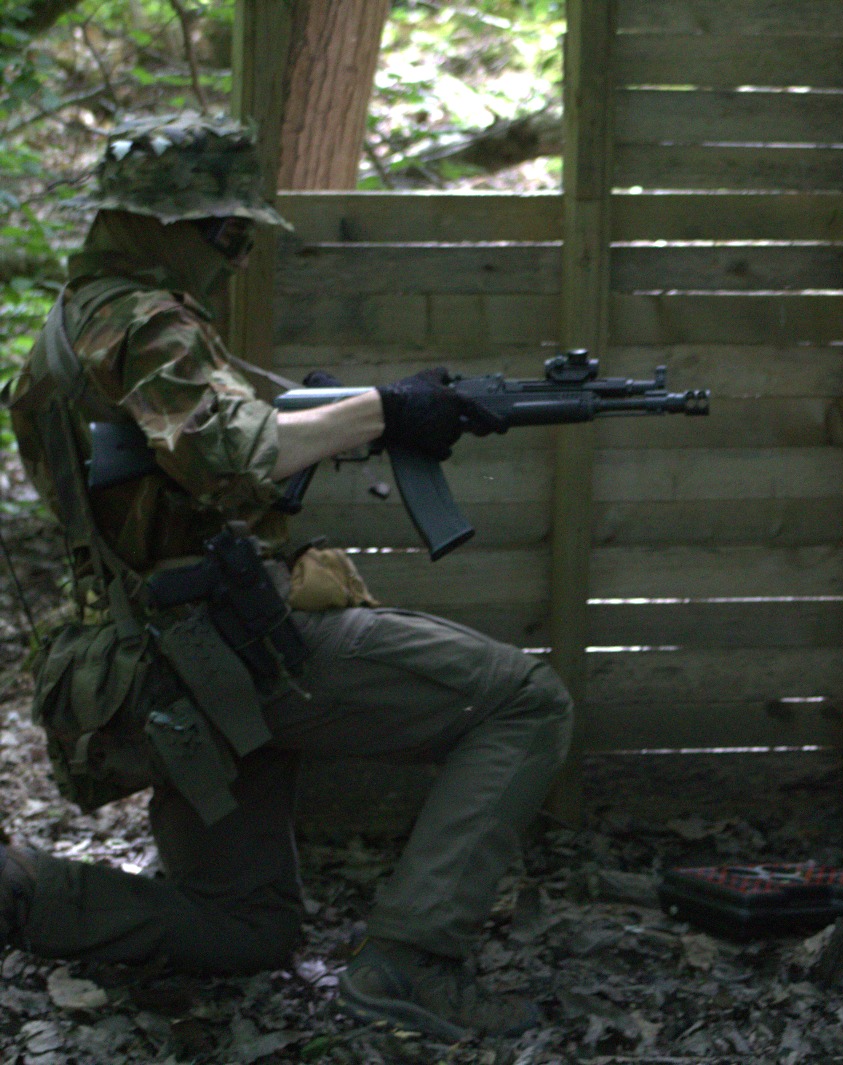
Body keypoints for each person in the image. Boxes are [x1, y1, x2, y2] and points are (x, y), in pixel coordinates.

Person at [0, 114, 573, 1041]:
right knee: (526, 701)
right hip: (221, 650)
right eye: (229, 234)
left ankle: (23, 888)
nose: (237, 259)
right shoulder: (147, 321)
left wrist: (346, 419)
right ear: (164, 224)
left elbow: (181, 473)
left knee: (243, 926)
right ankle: (409, 964)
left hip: (159, 665)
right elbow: (230, 451)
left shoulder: (74, 325)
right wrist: (384, 410)